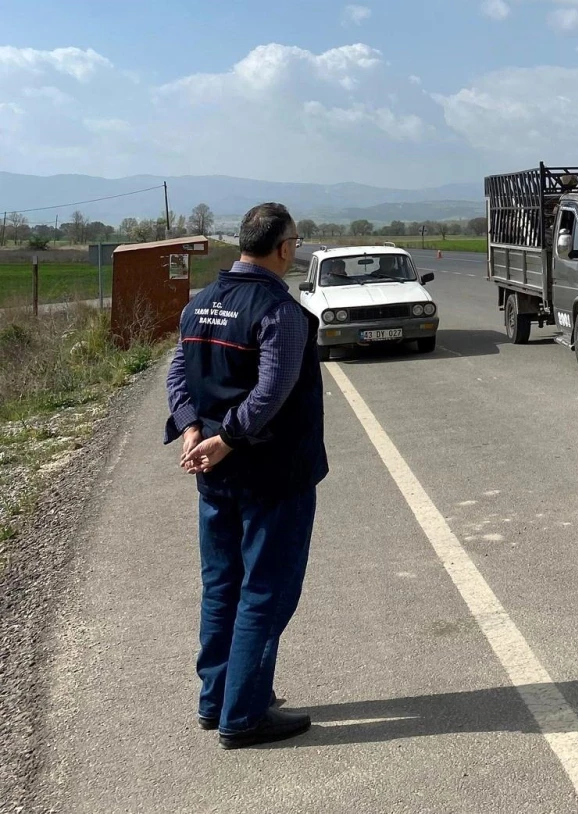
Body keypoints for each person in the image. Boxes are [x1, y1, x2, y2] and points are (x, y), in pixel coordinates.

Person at [164, 202, 328, 749]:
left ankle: (217, 702)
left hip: (215, 472)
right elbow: (273, 392)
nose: (297, 250)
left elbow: (179, 372)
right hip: (270, 475)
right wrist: (225, 438)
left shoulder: (200, 304)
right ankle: (244, 715)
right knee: (266, 591)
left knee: (221, 586)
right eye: (296, 242)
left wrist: (191, 429)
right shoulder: (278, 311)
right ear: (282, 248)